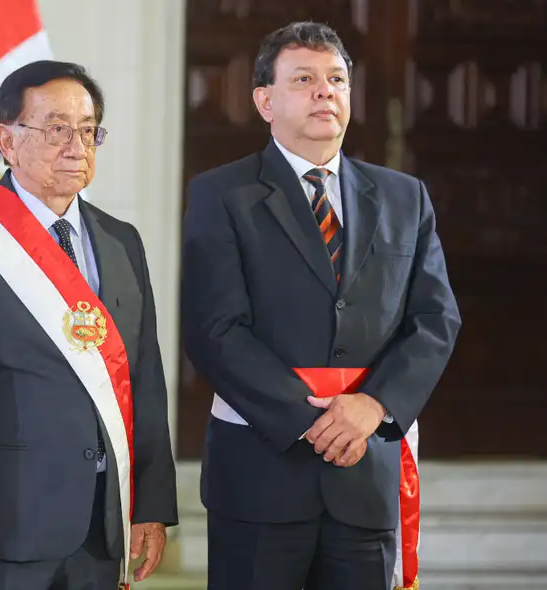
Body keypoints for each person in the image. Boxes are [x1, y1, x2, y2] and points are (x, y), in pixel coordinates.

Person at [181, 21, 462, 590]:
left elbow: (435, 319)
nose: (325, 92)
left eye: (337, 79)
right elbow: (215, 330)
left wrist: (372, 407)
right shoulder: (221, 194)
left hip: (365, 470)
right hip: (262, 473)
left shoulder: (403, 197)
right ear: (265, 100)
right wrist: (314, 421)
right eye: (304, 78)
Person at [0, 60, 178, 590]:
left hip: (101, 524)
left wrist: (151, 502)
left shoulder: (121, 241)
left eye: (88, 130)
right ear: (7, 141)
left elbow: (144, 376)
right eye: (57, 128)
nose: (76, 145)